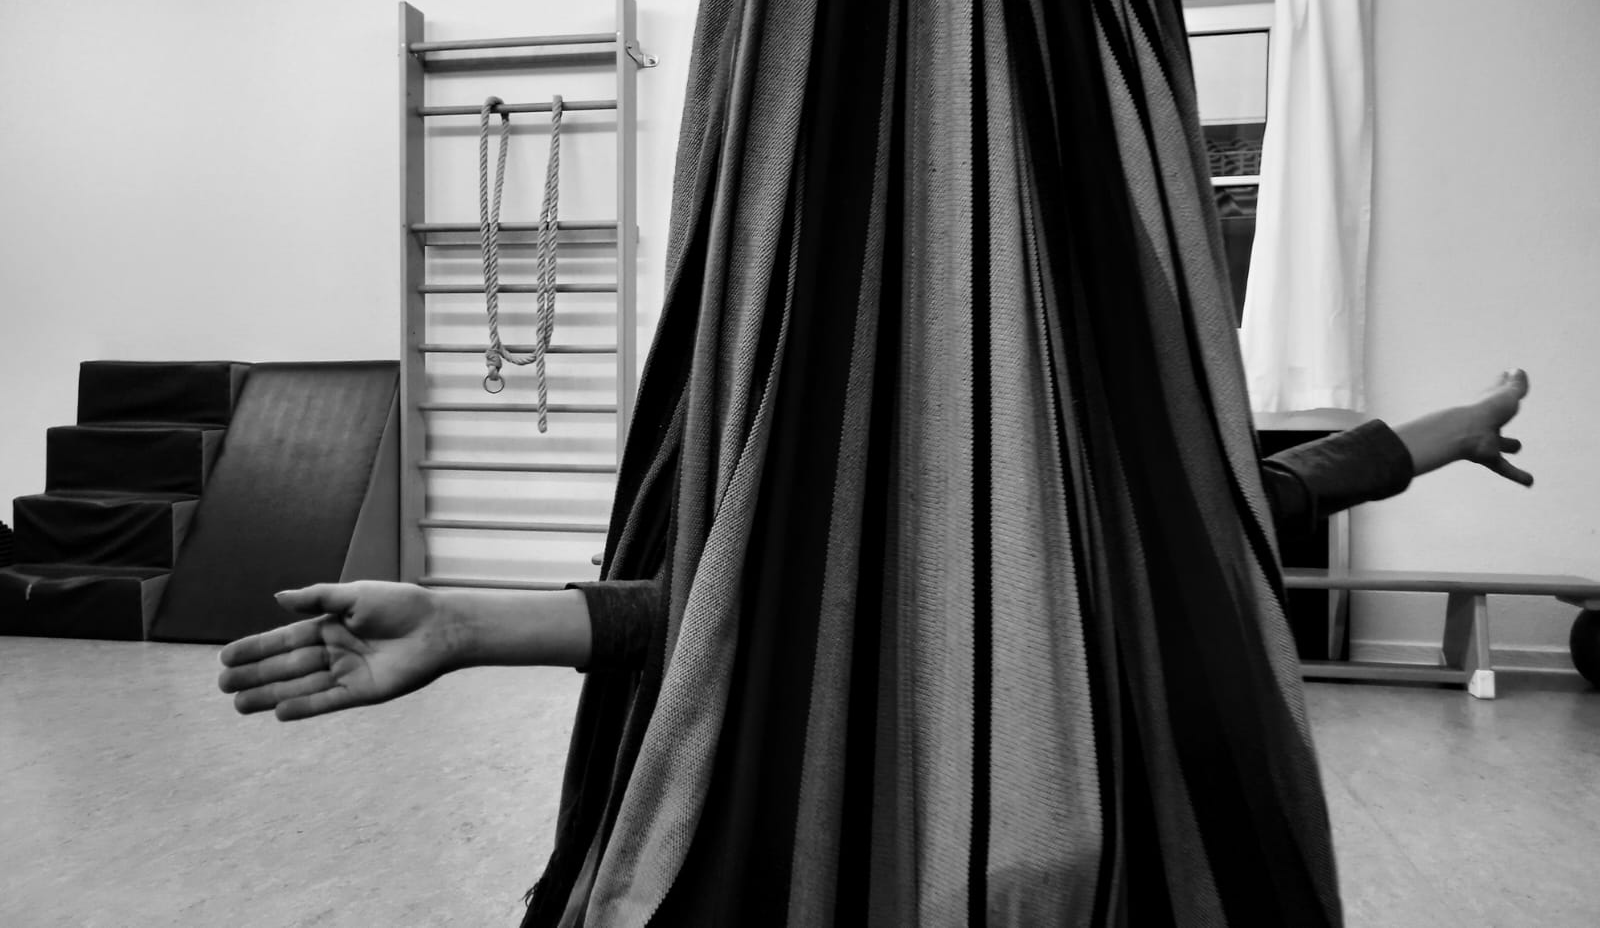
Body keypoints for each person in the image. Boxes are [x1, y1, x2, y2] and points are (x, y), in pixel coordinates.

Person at [218, 369, 1532, 716]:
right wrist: (459, 622)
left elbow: (1293, 484)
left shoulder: (1119, 529)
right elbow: (704, 615)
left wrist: (1451, 429)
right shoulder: (895, 552)